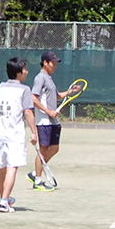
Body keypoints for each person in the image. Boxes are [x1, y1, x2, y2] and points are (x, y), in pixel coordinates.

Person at [29, 51, 79, 192]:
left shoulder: (49, 78)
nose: (55, 65)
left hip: (53, 120)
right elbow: (33, 98)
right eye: (53, 62)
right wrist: (48, 111)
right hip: (44, 120)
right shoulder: (40, 78)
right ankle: (38, 181)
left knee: (55, 148)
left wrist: (69, 92)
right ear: (45, 62)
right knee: (43, 151)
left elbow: (56, 96)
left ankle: (34, 172)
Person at [0, 57, 36, 213]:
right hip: (14, 134)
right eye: (25, 69)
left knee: (2, 168)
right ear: (18, 72)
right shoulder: (24, 89)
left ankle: (3, 198)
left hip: (1, 133)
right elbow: (28, 112)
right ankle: (4, 201)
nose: (27, 71)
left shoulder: (1, 87)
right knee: (12, 168)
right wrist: (34, 132)